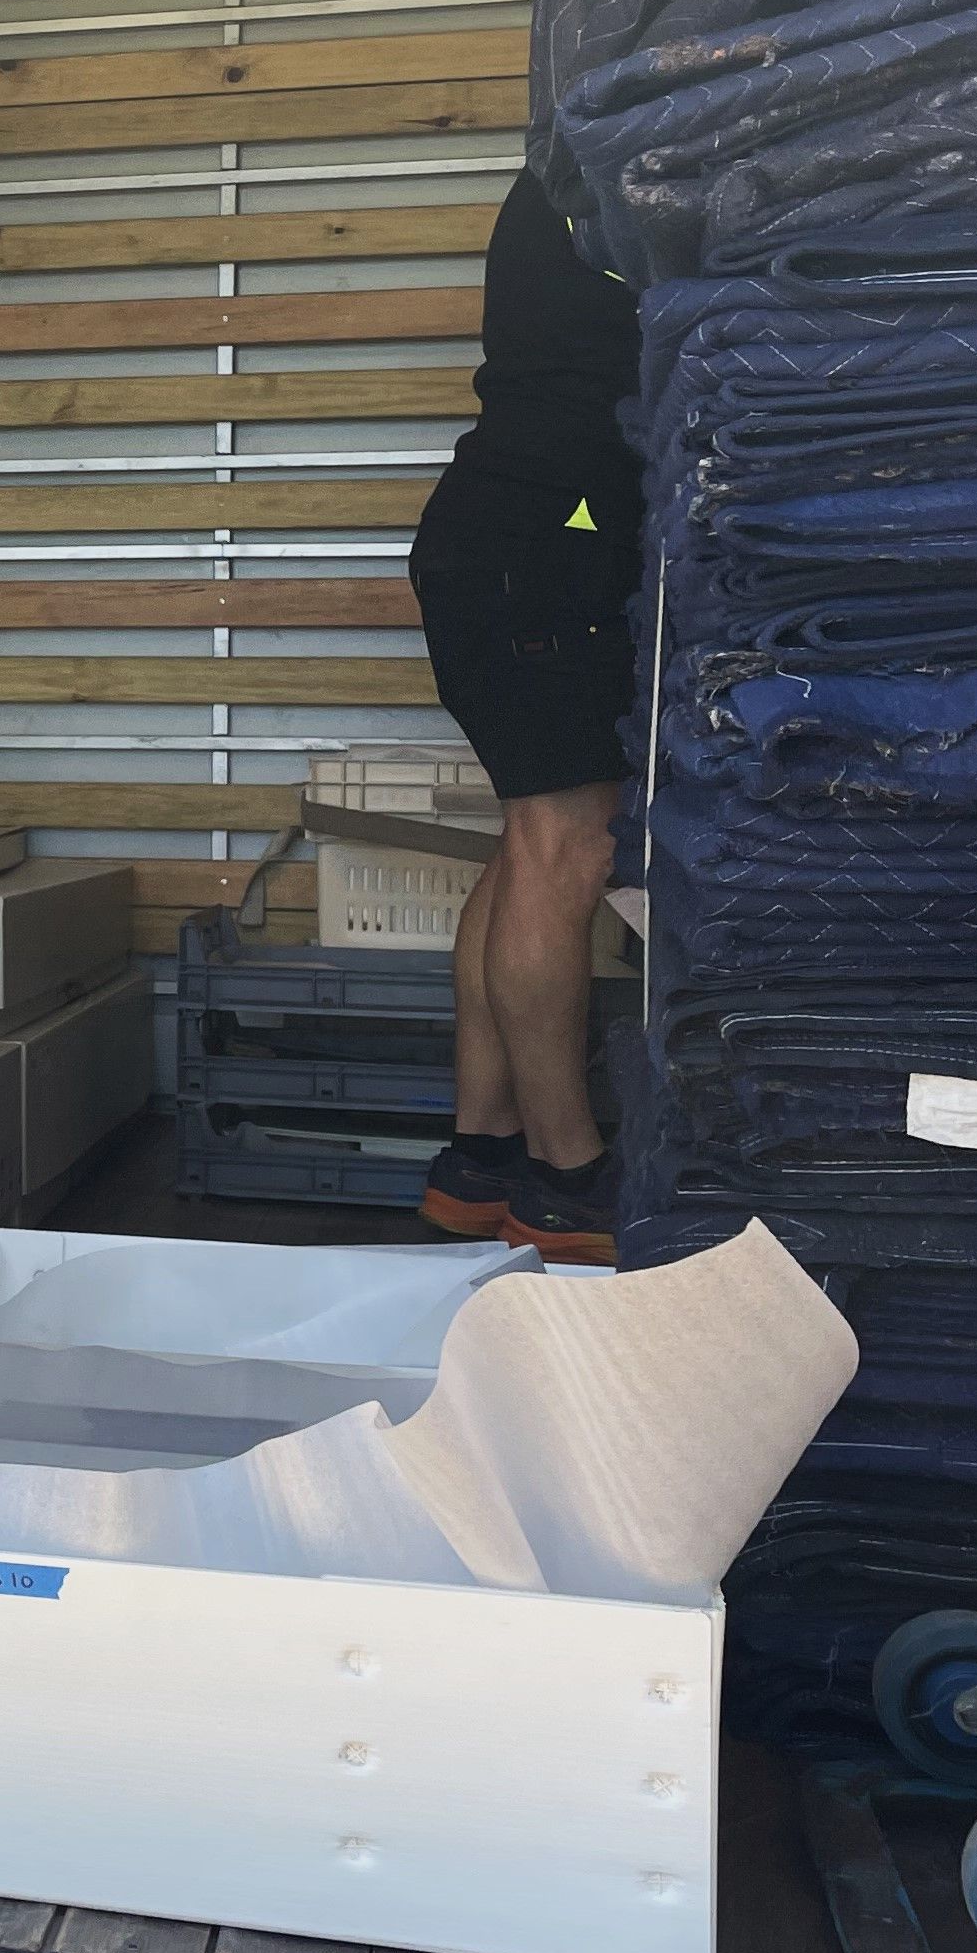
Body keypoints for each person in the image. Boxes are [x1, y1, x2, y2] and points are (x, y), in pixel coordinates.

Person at [408, 167, 644, 1267]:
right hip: (546, 540)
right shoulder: (626, 164)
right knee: (567, 848)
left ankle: (481, 1161)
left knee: (524, 845)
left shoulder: (560, 171)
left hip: (498, 530)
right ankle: (567, 1179)